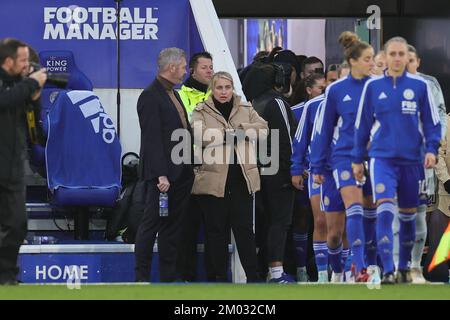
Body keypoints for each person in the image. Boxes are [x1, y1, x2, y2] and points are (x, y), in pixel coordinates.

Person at [352, 36, 441, 284]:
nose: (398, 58)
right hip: (382, 160)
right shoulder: (373, 87)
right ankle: (388, 269)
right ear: (386, 56)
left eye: (402, 54)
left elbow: (433, 124)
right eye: (393, 54)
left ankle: (405, 267)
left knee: (409, 215)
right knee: (384, 212)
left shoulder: (420, 86)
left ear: (408, 57)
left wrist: (431, 149)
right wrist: (358, 159)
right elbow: (362, 126)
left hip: (412, 161)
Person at [310, 31, 375, 282]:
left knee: (371, 215)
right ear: (354, 62)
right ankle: (349, 268)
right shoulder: (336, 91)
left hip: (373, 159)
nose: (372, 64)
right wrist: (317, 166)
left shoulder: (379, 87)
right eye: (368, 59)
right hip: (343, 158)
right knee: (340, 226)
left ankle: (368, 266)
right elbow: (324, 131)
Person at [191, 71, 268, 282]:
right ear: (212, 89)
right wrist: (227, 136)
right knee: (216, 233)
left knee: (245, 232)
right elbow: (199, 135)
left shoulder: (245, 107)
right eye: (219, 88)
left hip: (242, 181)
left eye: (227, 87)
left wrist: (241, 130)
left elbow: (263, 129)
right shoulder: (201, 109)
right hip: (214, 183)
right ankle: (218, 278)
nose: (224, 92)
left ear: (232, 88)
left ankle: (253, 277)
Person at [134, 47, 194, 282]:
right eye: (183, 66)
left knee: (172, 228)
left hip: (180, 173)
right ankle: (141, 278)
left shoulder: (174, 93)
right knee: (151, 226)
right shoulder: (150, 96)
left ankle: (168, 277)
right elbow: (152, 140)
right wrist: (161, 175)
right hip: (163, 177)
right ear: (172, 68)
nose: (185, 71)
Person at [391, 44, 448, 284]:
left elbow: (439, 122)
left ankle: (417, 268)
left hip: (423, 163)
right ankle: (396, 267)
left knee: (421, 217)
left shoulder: (429, 84)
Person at [0, 38, 47, 285]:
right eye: (22, 60)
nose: (27, 65)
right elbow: (4, 100)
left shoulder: (23, 90)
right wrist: (30, 84)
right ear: (8, 62)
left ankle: (7, 279)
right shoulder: (12, 88)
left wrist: (35, 98)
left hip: (13, 170)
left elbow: (34, 135)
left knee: (17, 225)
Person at [251, 64, 297, 283]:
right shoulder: (275, 102)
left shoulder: (253, 103)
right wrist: (294, 169)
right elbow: (287, 139)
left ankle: (266, 270)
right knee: (280, 221)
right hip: (279, 170)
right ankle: (276, 272)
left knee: (266, 222)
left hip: (260, 170)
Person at [176, 51, 213, 282]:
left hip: (213, 168)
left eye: (211, 67)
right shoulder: (179, 95)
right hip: (187, 168)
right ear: (192, 70)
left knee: (213, 227)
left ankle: (214, 276)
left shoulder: (218, 93)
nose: (210, 70)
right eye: (205, 67)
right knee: (186, 226)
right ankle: (186, 276)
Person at [291, 73, 327, 282]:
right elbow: (295, 142)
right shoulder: (299, 110)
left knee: (340, 222)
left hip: (338, 173)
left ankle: (341, 270)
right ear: (309, 89)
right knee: (305, 219)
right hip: (309, 175)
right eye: (322, 87)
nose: (326, 90)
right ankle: (301, 268)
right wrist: (298, 168)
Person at [178, 51, 213, 119]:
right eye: (204, 68)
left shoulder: (219, 95)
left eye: (211, 67)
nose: (209, 71)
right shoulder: (179, 97)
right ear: (192, 71)